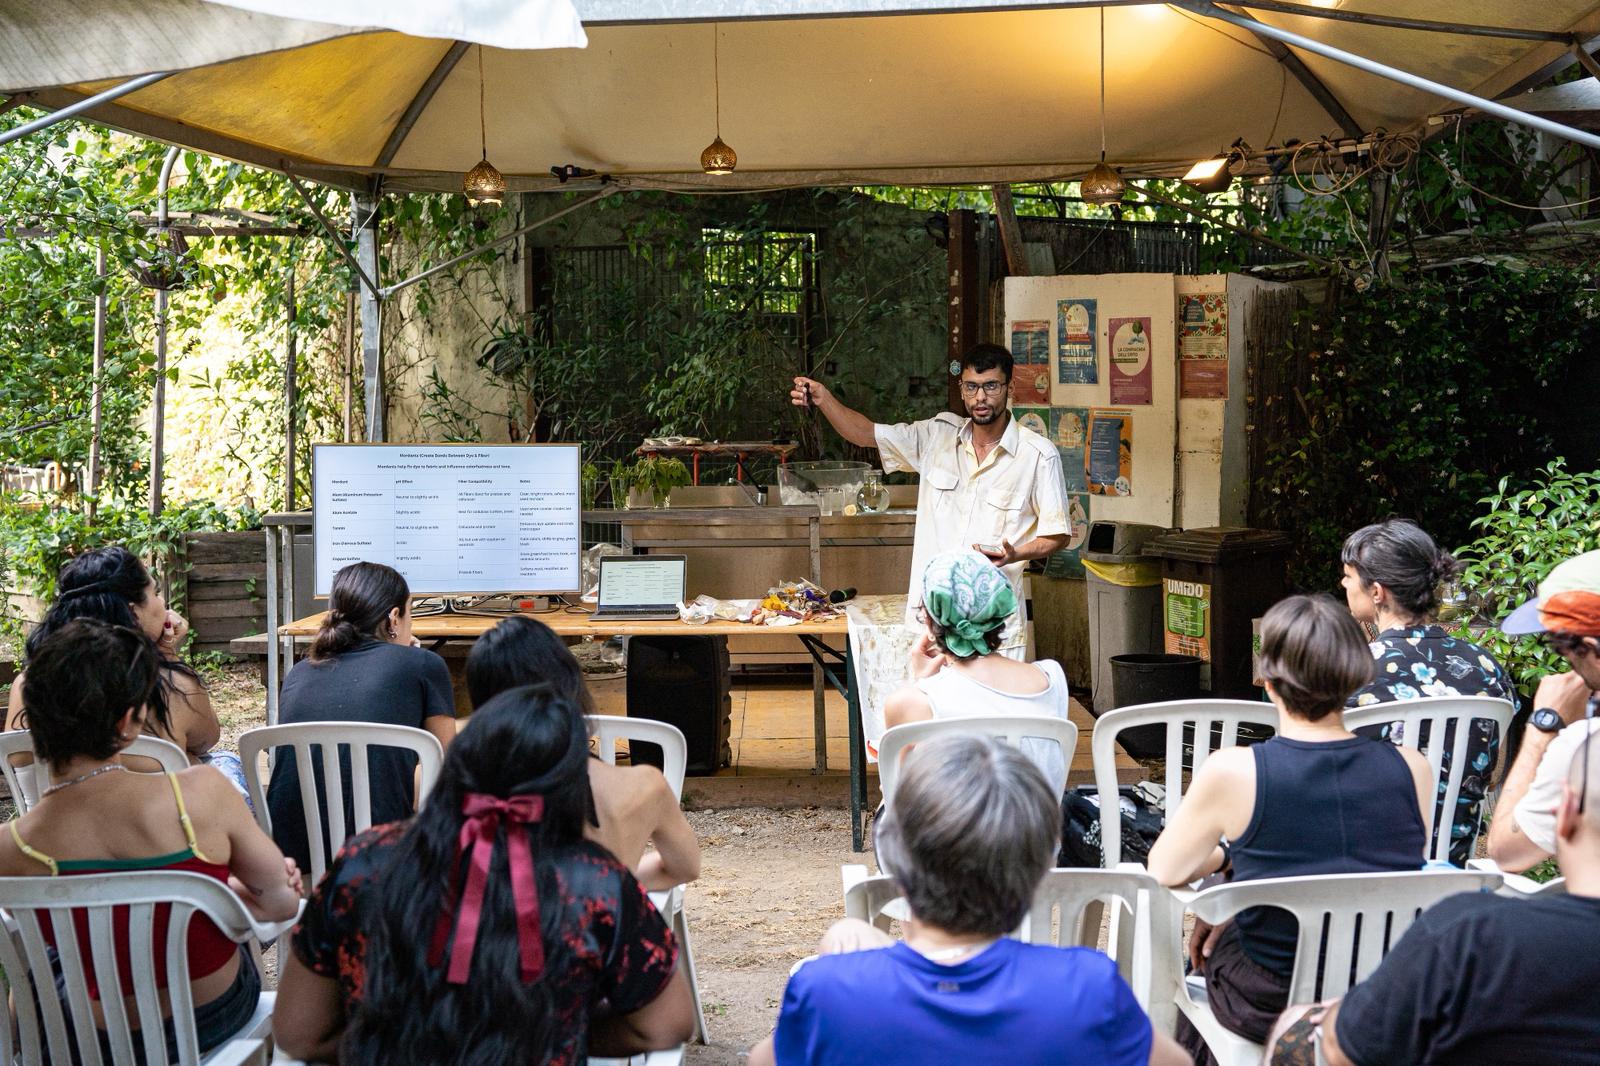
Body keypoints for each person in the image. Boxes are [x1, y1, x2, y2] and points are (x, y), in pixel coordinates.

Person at [272, 684, 695, 1063]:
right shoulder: (596, 882)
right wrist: (566, 1034)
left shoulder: (363, 863)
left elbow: (298, 1033)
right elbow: (666, 1024)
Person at [748, 734, 1189, 1066]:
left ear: (894, 858)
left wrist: (860, 963)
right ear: (1041, 870)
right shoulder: (1088, 988)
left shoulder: (827, 992)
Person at [1145, 595, 1434, 1066]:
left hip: (1271, 996)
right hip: (1379, 990)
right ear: (1359, 675)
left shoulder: (1235, 770)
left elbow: (1164, 869)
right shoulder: (1412, 767)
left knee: (1208, 960)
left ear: (1267, 679)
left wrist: (1227, 860)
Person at [0, 619, 301, 1059]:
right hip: (210, 1018)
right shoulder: (202, 793)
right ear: (128, 722)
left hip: (93, 1039)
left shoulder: (13, 846)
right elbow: (281, 904)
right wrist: (223, 891)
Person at [1265, 731, 1600, 1066]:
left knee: (1295, 1024)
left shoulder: (1473, 935)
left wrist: (1349, 1010)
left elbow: (1340, 1049)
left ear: (1565, 811)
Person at [790, 343, 1071, 658]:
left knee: (994, 693)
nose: (980, 397)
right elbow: (865, 433)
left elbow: (1057, 534)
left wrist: (1016, 553)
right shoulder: (935, 437)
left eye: (991, 386)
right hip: (932, 623)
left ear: (1010, 388)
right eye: (972, 387)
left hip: (995, 626)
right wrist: (824, 399)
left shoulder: (1038, 455)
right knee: (931, 692)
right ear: (962, 389)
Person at [465, 615, 701, 891]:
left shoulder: (456, 783)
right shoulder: (644, 788)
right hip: (602, 914)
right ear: (572, 684)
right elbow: (686, 867)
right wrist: (608, 882)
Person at [1339, 519, 1518, 866]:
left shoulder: (1348, 669)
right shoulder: (1484, 665)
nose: (1343, 584)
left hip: (1362, 864)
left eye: (1348, 576)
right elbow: (1494, 774)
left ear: (1377, 592)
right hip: (1450, 860)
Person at [266, 561, 456, 876]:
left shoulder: (299, 672)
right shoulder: (423, 665)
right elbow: (448, 768)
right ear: (394, 618)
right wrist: (414, 657)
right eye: (410, 613)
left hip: (298, 859)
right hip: (386, 858)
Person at [5, 546, 244, 792]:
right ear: (133, 611)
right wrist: (168, 655)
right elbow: (207, 739)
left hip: (53, 816)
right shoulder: (173, 687)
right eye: (156, 593)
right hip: (157, 815)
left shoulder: (27, 685)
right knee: (223, 762)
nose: (163, 603)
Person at [883, 550, 1072, 790]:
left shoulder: (910, 703)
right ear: (998, 616)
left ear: (930, 624)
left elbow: (897, 794)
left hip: (950, 817)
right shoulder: (1051, 678)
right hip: (1040, 815)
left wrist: (921, 684)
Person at [1487, 548, 1600, 873]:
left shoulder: (1585, 746)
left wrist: (1542, 728)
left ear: (1590, 649)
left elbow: (1506, 853)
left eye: (1565, 652)